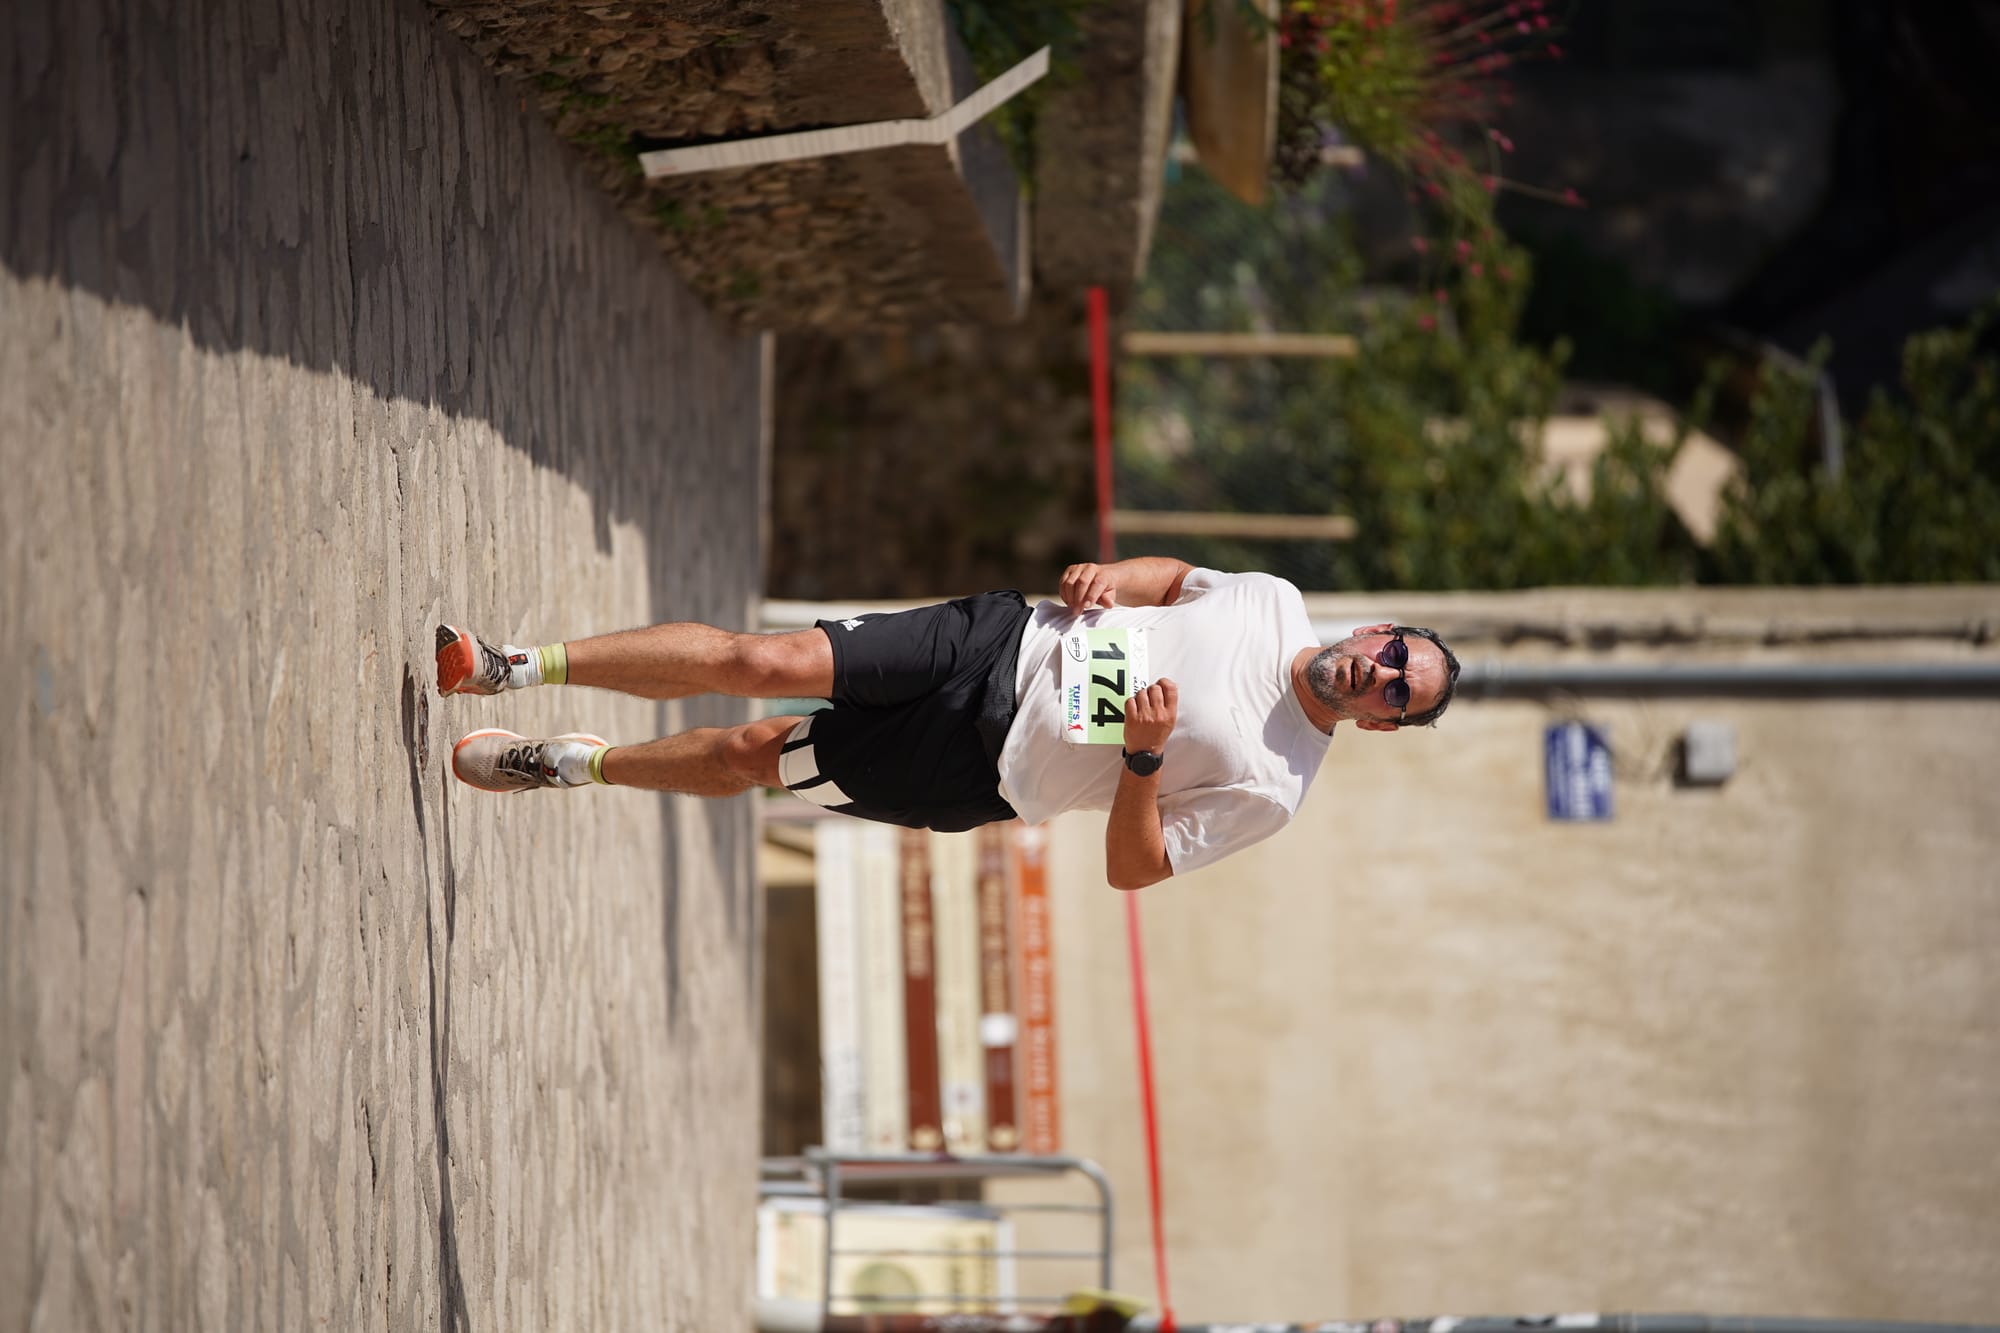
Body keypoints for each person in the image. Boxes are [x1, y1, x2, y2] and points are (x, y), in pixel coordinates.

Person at [439, 557, 1460, 889]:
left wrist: (1143, 762)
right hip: (999, 642)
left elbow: (1135, 867)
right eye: (1390, 656)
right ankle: (511, 667)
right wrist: (1104, 573)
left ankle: (572, 764)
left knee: (756, 753)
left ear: (1378, 725)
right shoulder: (1270, 597)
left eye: (1393, 693)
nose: (1376, 674)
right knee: (764, 658)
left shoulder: (1273, 790)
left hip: (980, 771)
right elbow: (1167, 580)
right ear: (1375, 627)